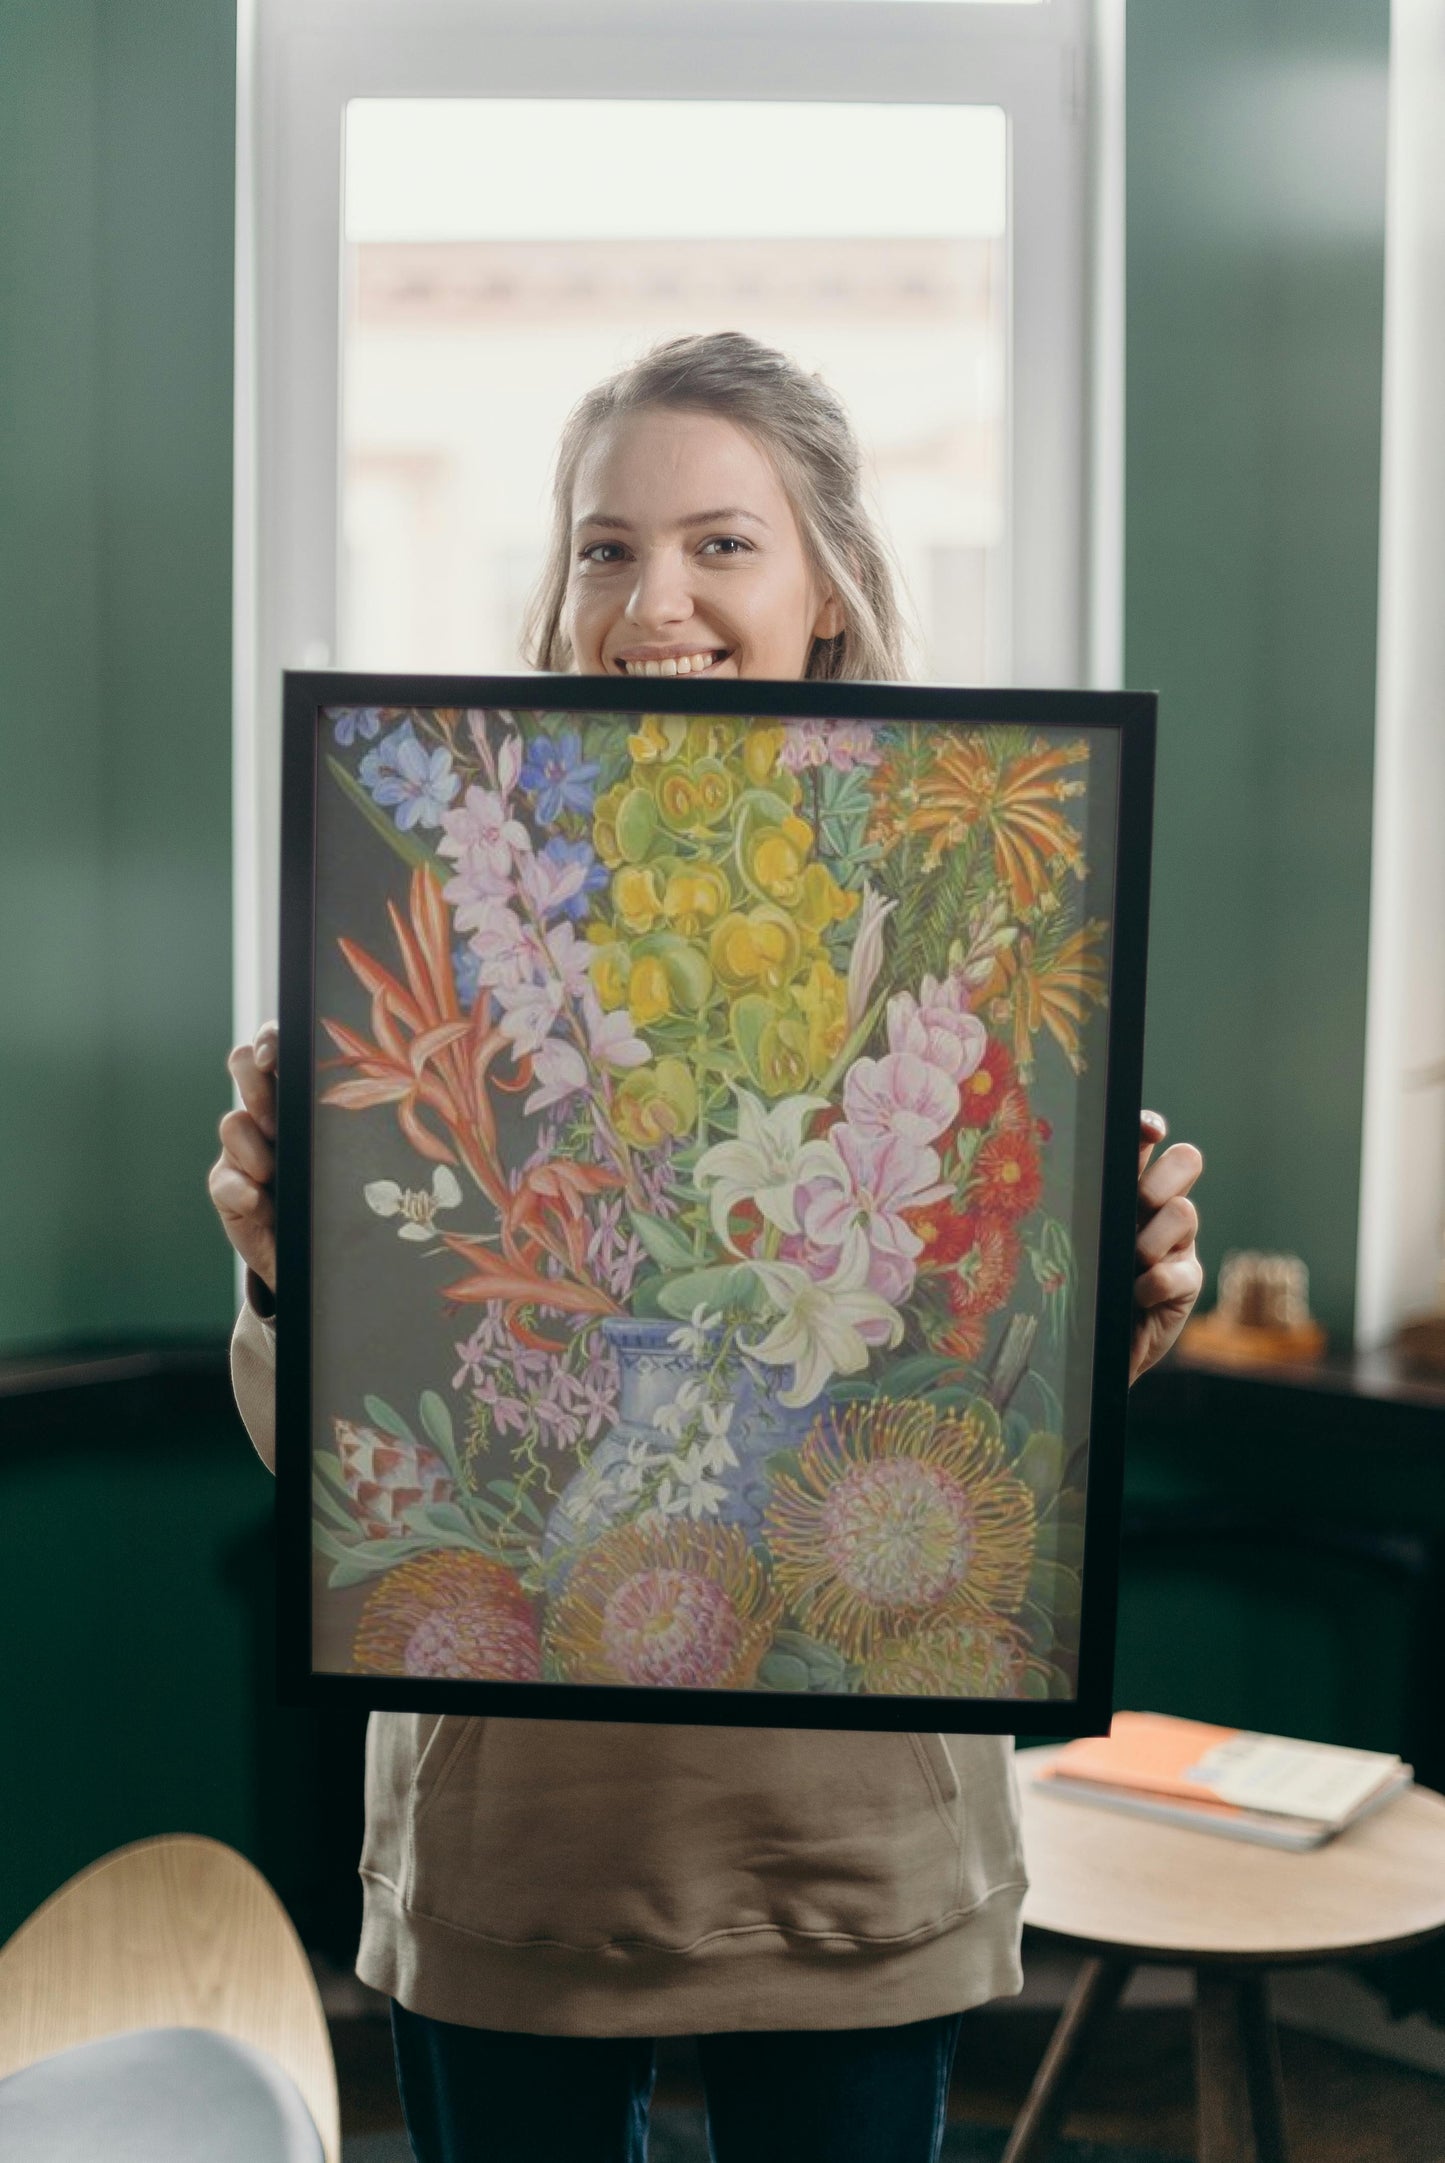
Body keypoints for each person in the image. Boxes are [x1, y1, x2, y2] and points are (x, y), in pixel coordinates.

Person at [209, 332, 1204, 2163]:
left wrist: (1114, 1296)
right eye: (604, 546)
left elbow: (1000, 1387)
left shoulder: (973, 896)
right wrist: (290, 1277)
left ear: (826, 585)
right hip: (519, 1844)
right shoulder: (426, 914)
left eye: (719, 544)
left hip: (849, 1841)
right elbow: (337, 1461)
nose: (650, 598)